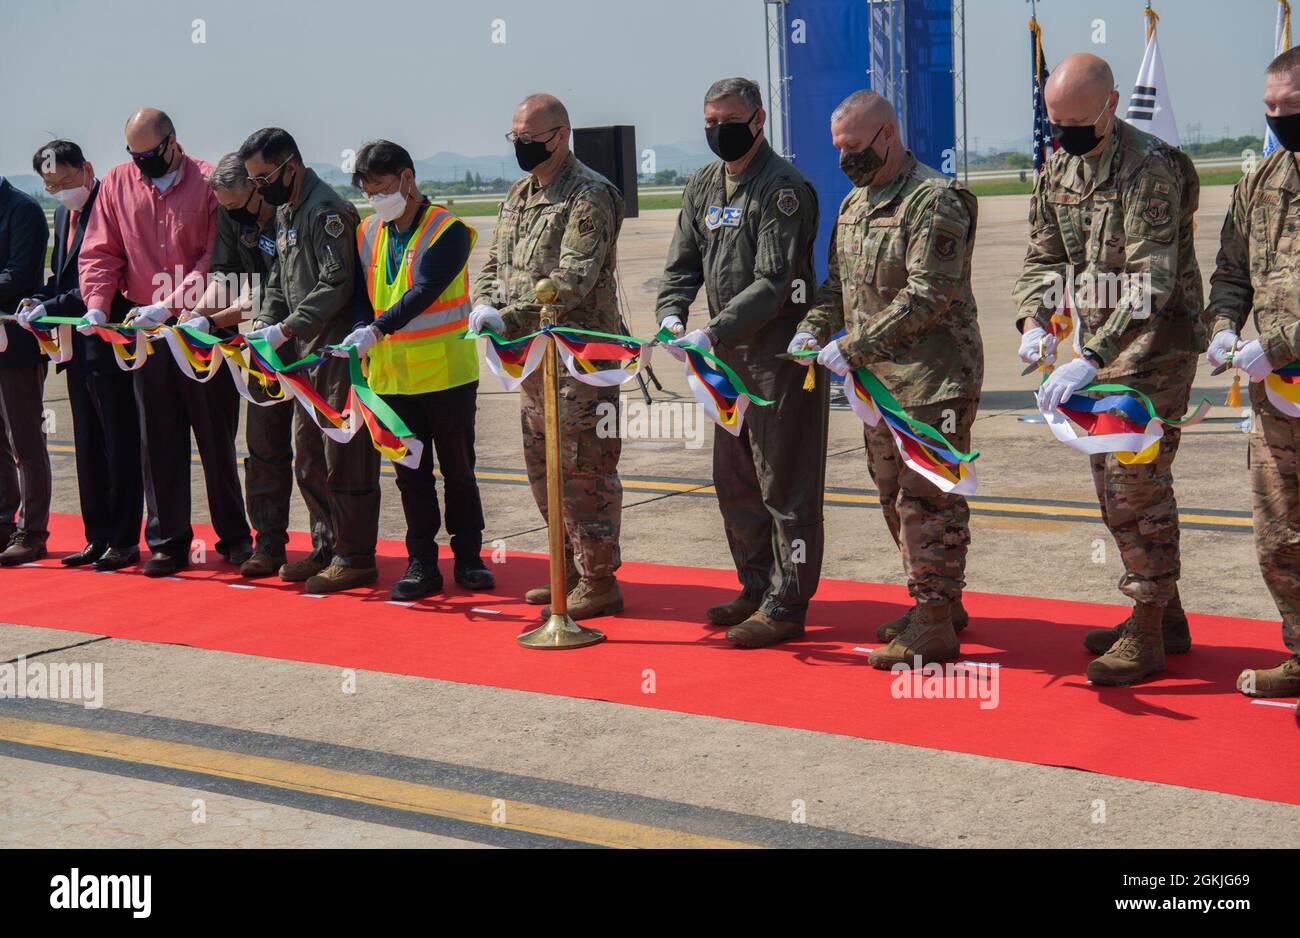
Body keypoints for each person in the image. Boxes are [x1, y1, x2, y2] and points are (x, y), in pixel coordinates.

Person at [1011, 53, 1204, 686]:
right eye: (1054, 122)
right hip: (1097, 356)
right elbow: (1043, 256)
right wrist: (1035, 323)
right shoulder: (1059, 167)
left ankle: (1148, 631)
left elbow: (1153, 281)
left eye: (1076, 122)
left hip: (1155, 349)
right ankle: (1165, 617)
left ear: (1112, 105)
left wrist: (1093, 357)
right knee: (1109, 487)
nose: (1063, 135)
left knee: (1135, 488)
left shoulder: (1151, 169)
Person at [794, 90, 982, 669]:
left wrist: (849, 346)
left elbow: (927, 295)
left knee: (930, 502)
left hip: (934, 379)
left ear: (887, 135)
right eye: (838, 150)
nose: (845, 158)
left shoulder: (935, 200)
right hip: (875, 384)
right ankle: (936, 601)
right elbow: (837, 290)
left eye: (854, 147)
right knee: (893, 495)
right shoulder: (855, 204)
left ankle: (934, 620)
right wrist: (812, 329)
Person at [654, 77, 825, 648]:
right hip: (722, 363)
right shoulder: (703, 184)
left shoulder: (782, 189)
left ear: (758, 120)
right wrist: (674, 314)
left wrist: (715, 327)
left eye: (727, 120)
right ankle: (754, 585)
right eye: (708, 121)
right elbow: (681, 264)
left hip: (776, 358)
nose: (717, 131)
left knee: (785, 483)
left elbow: (775, 282)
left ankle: (788, 600)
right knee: (734, 479)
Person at [470, 93, 625, 620]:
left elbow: (573, 278)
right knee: (544, 468)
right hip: (534, 361)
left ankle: (599, 579)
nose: (520, 146)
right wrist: (485, 303)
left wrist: (507, 316)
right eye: (514, 137)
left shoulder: (590, 195)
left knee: (585, 470)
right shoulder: (518, 193)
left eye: (529, 138)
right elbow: (494, 260)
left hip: (580, 361)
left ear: (560, 136)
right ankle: (568, 570)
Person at [79, 108, 252, 577]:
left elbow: (214, 260)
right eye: (134, 156)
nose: (142, 164)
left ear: (173, 142)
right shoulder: (117, 183)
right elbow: (100, 251)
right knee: (157, 439)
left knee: (215, 436)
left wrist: (172, 305)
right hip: (148, 335)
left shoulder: (207, 182)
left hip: (198, 331)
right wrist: (97, 302)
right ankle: (168, 541)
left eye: (150, 154)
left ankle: (235, 537)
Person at [341, 140, 493, 599]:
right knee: (410, 475)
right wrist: (359, 327)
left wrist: (376, 329)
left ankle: (469, 558)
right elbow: (361, 294)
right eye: (368, 192)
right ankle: (421, 564)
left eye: (383, 188)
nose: (376, 199)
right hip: (391, 377)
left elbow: (424, 290)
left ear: (408, 178)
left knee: (459, 471)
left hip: (446, 373)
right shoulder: (368, 232)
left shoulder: (447, 229)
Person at [240, 127, 379, 594]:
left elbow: (335, 283)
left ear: (289, 168)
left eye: (263, 178)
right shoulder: (284, 211)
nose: (260, 188)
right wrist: (266, 321)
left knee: (344, 453)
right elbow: (279, 278)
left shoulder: (325, 210)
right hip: (303, 355)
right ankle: (326, 547)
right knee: (309, 454)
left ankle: (354, 554)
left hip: (334, 350)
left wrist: (288, 327)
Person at [1206, 45, 1300, 700]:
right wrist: (1222, 330)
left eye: (1289, 108)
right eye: (1268, 109)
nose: (1277, 119)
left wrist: (1284, 342)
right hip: (1278, 401)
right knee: (1279, 537)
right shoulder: (1258, 184)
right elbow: (1231, 274)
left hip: (1282, 363)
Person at [189, 153, 330, 580]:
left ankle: (327, 544)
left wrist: (219, 318)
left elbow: (283, 289)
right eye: (226, 209)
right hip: (260, 343)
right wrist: (192, 319)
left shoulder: (298, 212)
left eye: (238, 204)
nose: (233, 215)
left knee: (312, 449)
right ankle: (268, 540)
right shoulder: (233, 216)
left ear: (258, 185)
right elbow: (227, 277)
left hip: (306, 339)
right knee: (263, 444)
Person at [20, 140, 141, 570]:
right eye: (50, 185)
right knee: (89, 447)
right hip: (75, 348)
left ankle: (125, 540)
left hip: (109, 344)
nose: (60, 190)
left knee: (120, 444)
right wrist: (39, 299)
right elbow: (64, 276)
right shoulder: (63, 213)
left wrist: (52, 308)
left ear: (87, 169)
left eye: (66, 180)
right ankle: (97, 537)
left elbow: (109, 278)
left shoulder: (111, 207)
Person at [0, 172, 51, 565]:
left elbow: (17, 276)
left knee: (26, 442)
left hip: (17, 347)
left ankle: (33, 531)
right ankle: (3, 521)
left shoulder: (23, 210)